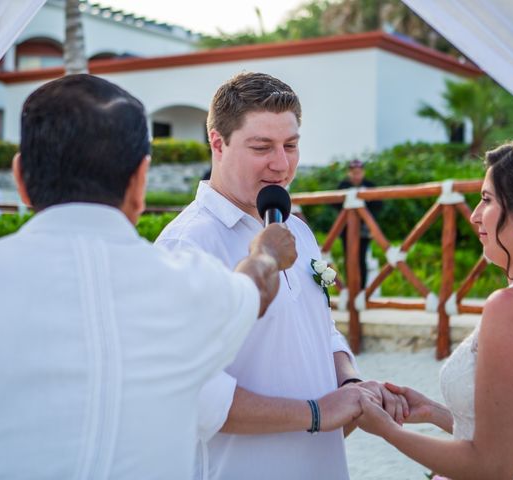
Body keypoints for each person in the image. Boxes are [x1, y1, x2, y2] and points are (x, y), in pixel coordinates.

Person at [0, 74, 299, 479]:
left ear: (21, 178)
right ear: (140, 181)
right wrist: (266, 255)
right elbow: (253, 288)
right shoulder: (189, 283)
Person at [156, 72, 405, 480]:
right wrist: (315, 413)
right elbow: (192, 396)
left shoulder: (298, 231)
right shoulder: (187, 247)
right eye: (262, 147)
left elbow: (321, 329)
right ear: (218, 143)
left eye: (291, 145)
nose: (282, 164)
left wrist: (351, 385)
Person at [356, 130, 513, 479]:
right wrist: (434, 412)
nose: (475, 215)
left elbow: (491, 467)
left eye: (487, 199)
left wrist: (388, 431)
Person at [337, 159, 382, 288]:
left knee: (362, 258)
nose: (356, 175)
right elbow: (335, 204)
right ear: (349, 173)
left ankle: (361, 289)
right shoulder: (343, 186)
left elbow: (378, 205)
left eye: (358, 172)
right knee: (349, 258)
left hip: (364, 229)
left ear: (363, 172)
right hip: (346, 229)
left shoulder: (370, 185)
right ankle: (350, 288)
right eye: (354, 172)